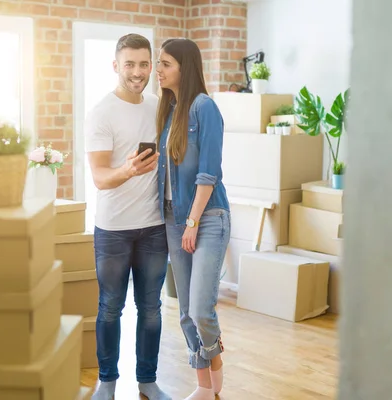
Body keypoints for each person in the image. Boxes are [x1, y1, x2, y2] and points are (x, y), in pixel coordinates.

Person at [84, 33, 171, 400]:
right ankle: (107, 382)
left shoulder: (159, 107)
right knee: (110, 308)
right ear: (116, 66)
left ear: (152, 66)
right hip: (114, 230)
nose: (138, 72)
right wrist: (129, 171)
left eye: (144, 64)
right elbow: (101, 178)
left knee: (151, 308)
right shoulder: (101, 113)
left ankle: (147, 381)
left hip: (154, 227)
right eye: (130, 64)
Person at [155, 38, 231, 400]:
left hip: (208, 216)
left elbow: (208, 172)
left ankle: (215, 360)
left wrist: (193, 222)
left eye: (165, 63)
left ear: (185, 68)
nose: (159, 70)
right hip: (173, 218)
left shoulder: (205, 108)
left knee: (201, 308)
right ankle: (204, 389)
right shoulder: (169, 112)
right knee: (185, 311)